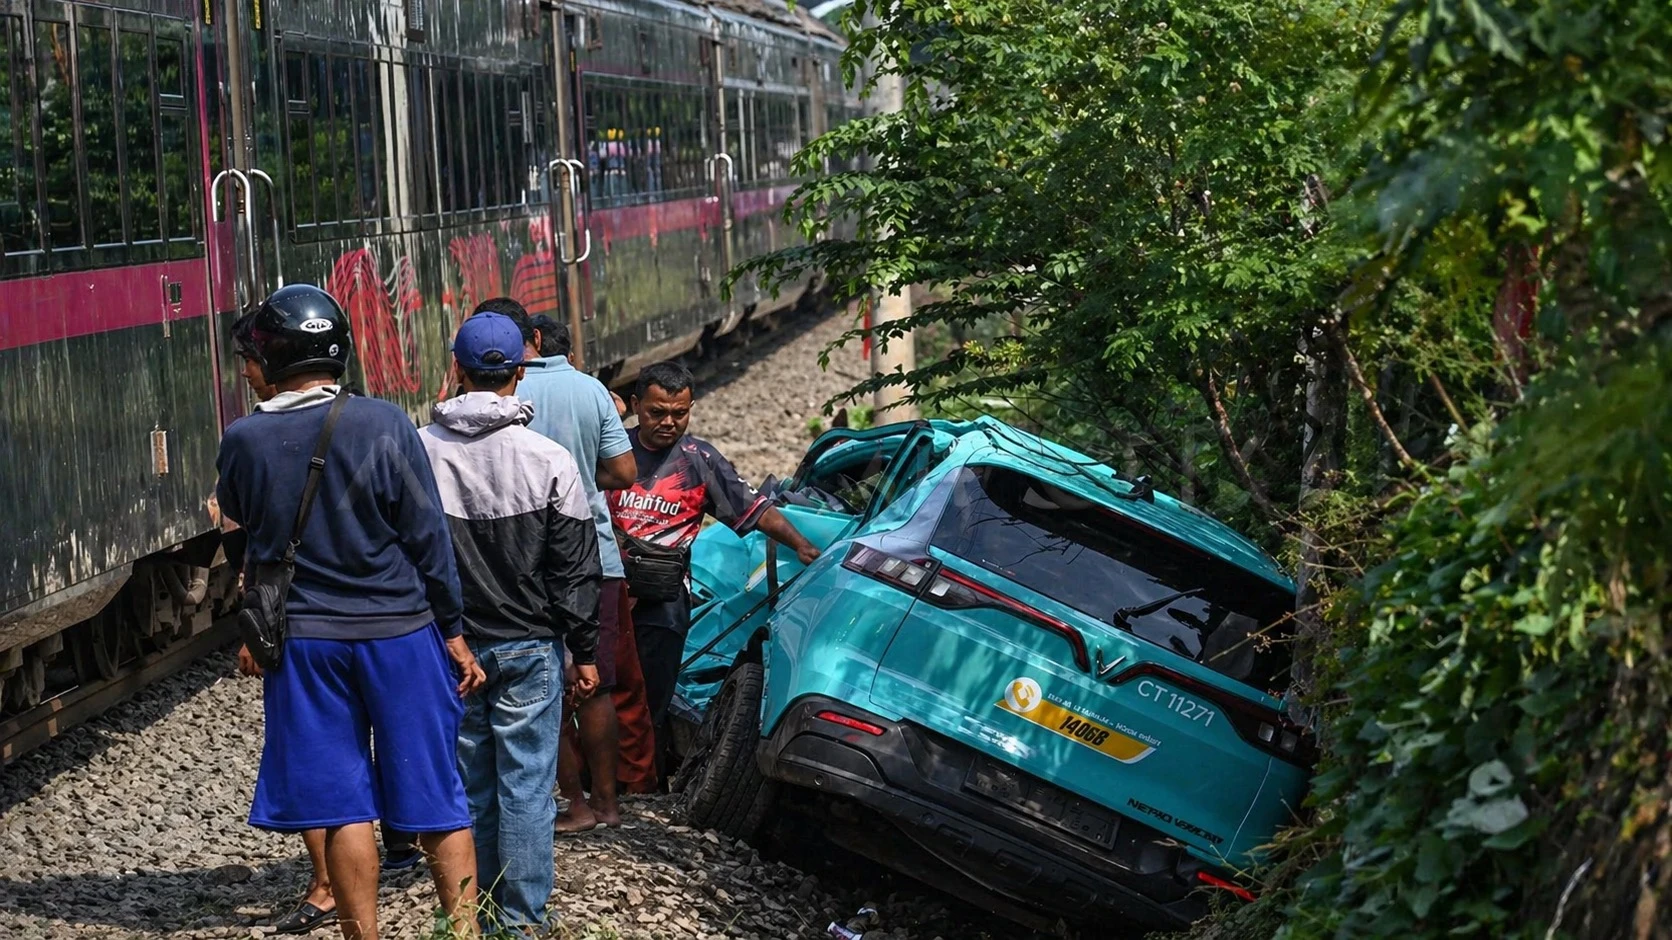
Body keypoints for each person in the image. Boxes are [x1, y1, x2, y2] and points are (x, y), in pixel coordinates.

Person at [216, 284, 484, 940]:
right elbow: (428, 538)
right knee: (438, 798)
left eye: (250, 357)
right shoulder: (384, 421)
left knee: (341, 810)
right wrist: (452, 630)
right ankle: (466, 934)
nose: (246, 370)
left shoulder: (244, 440)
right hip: (400, 633)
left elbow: (238, 535)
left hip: (307, 645)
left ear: (277, 358)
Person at [420, 312, 604, 933]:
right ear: (518, 373)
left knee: (468, 786)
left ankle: (470, 916)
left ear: (457, 370)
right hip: (530, 646)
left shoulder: (422, 451)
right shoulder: (548, 458)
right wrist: (584, 651)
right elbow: (575, 568)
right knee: (526, 787)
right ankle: (521, 923)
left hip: (452, 648)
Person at [608, 361, 822, 747]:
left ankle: (639, 783)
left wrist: (801, 545)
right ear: (636, 405)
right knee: (603, 692)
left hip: (664, 600)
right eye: (657, 412)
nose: (669, 422)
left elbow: (755, 510)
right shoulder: (613, 454)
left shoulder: (699, 460)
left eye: (680, 413)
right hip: (607, 594)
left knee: (651, 695)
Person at [513, 306, 639, 830]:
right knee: (596, 687)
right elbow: (625, 471)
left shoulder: (505, 396)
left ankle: (575, 806)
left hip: (525, 563)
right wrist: (584, 477)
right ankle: (608, 804)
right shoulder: (592, 390)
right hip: (595, 557)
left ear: (532, 341)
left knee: (545, 690)